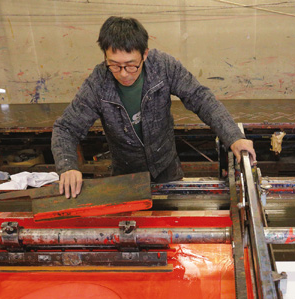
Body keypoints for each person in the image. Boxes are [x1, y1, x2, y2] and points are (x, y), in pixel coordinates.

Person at [51, 16, 257, 198]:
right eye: (114, 65)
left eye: (131, 65)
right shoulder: (98, 82)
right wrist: (68, 166)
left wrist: (233, 137)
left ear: (145, 54)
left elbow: (200, 98)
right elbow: (66, 129)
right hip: (126, 177)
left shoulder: (163, 67)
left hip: (167, 170)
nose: (123, 73)